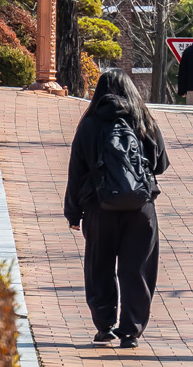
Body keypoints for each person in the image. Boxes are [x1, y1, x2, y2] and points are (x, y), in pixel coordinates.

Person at [63, 69, 169, 350]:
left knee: (100, 266)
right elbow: (160, 165)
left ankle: (104, 326)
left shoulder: (89, 125)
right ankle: (131, 331)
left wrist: (73, 213)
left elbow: (76, 171)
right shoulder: (144, 121)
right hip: (140, 208)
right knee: (137, 269)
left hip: (100, 207)